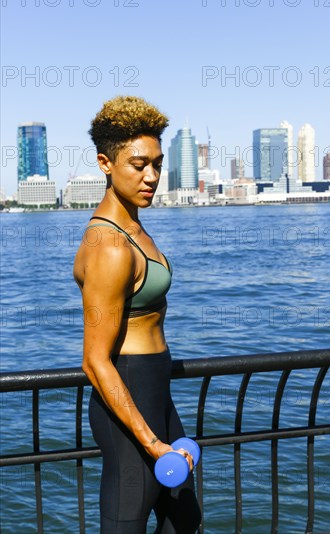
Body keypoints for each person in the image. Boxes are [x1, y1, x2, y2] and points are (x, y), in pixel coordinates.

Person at [73, 96, 201, 534]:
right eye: (138, 164)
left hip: (156, 393)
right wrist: (150, 441)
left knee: (185, 522)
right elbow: (95, 359)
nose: (152, 177)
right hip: (129, 403)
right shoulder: (109, 246)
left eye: (158, 164)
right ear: (106, 163)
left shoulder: (135, 227)